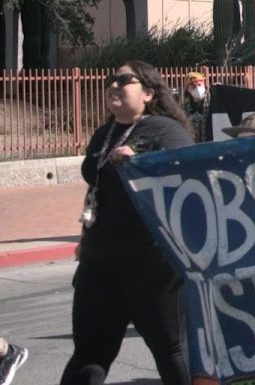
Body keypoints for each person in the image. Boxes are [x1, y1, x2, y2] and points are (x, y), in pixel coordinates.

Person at [61, 61, 194, 385]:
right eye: (111, 79)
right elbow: (98, 189)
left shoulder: (166, 130)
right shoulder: (104, 133)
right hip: (100, 264)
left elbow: (187, 175)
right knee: (89, 353)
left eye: (124, 80)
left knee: (170, 351)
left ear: (148, 92)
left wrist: (142, 160)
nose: (114, 85)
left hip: (151, 267)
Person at [180, 70, 210, 142]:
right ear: (187, 89)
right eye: (194, 86)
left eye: (199, 85)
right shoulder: (184, 108)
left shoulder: (212, 102)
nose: (197, 88)